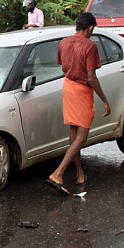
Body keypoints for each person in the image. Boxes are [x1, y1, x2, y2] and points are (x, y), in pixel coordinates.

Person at [45, 13, 111, 196]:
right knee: (82, 135)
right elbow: (91, 77)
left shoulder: (64, 43)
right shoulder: (90, 46)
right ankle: (58, 173)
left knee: (74, 134)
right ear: (90, 28)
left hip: (68, 87)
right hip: (81, 90)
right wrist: (104, 100)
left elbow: (62, 65)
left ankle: (80, 174)